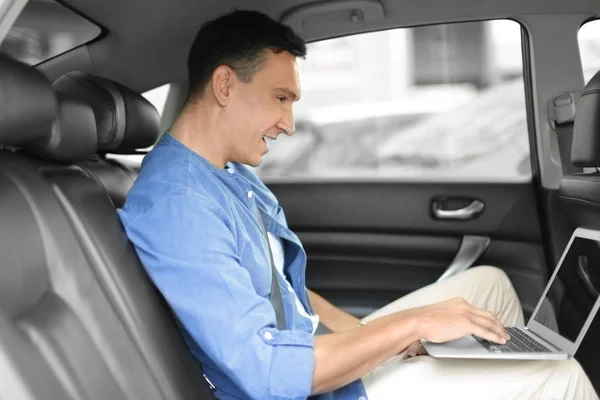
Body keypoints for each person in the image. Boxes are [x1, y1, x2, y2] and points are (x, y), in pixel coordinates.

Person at [118, 9, 598, 400]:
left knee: (489, 286)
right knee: (565, 378)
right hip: (307, 386)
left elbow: (286, 291)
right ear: (225, 85)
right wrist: (406, 326)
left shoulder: (229, 173)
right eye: (280, 97)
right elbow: (268, 373)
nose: (288, 123)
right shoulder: (179, 204)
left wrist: (388, 342)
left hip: (316, 354)